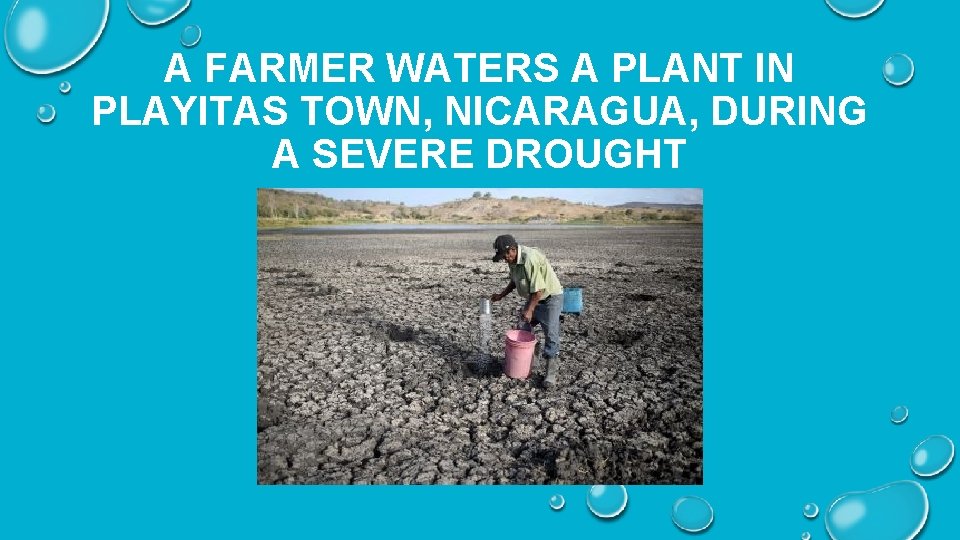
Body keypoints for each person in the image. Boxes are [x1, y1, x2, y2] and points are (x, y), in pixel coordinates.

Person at [489, 234, 564, 388]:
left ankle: (550, 373)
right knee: (523, 329)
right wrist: (501, 295)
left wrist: (530, 310)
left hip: (550, 298)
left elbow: (539, 290)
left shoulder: (530, 258)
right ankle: (530, 362)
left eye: (505, 256)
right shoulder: (513, 260)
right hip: (534, 296)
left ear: (512, 249)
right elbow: (514, 280)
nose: (505, 260)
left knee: (551, 334)